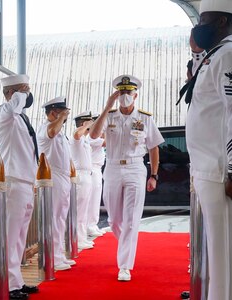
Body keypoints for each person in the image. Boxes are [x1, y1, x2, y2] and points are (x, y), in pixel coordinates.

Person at [184, 0, 232, 298]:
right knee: (218, 253)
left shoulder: (231, 54)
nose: (198, 26)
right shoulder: (215, 55)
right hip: (208, 168)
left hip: (221, 171)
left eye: (205, 20)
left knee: (225, 253)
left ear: (222, 23)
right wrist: (194, 50)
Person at [89, 75, 164, 281]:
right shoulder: (110, 116)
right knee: (114, 220)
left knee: (131, 220)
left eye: (128, 92)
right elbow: (94, 135)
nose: (124, 96)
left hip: (135, 169)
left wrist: (154, 175)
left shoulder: (145, 118)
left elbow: (153, 148)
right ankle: (126, 245)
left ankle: (124, 266)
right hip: (112, 168)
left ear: (135, 95)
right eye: (121, 92)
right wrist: (107, 106)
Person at [0, 74, 39, 300]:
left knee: (19, 236)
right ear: (10, 94)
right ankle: (8, 285)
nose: (28, 95)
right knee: (10, 236)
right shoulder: (4, 113)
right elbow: (11, 109)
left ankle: (16, 280)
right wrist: (19, 94)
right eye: (23, 91)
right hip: (12, 181)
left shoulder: (21, 118)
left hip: (25, 182)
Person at [37, 96, 75, 271]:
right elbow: (51, 132)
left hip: (63, 176)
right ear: (53, 112)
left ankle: (58, 255)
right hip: (53, 176)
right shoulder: (47, 128)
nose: (66, 116)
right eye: (63, 112)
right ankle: (52, 257)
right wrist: (60, 118)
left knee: (60, 218)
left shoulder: (60, 131)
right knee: (53, 218)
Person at [70, 111, 94, 250]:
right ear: (83, 123)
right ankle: (77, 239)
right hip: (80, 175)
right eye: (90, 122)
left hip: (87, 175)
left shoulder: (86, 139)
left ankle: (82, 238)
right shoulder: (77, 136)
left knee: (84, 210)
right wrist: (85, 126)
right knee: (78, 210)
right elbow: (77, 134)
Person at [87, 113, 107, 237]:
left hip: (98, 170)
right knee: (91, 200)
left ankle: (93, 224)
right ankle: (89, 225)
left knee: (95, 200)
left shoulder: (96, 138)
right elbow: (105, 142)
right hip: (92, 170)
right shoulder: (91, 138)